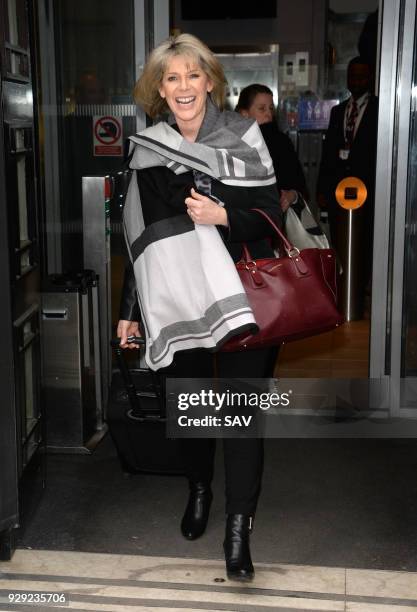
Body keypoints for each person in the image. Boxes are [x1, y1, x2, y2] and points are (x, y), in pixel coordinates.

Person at [117, 34, 282, 582]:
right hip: (181, 298)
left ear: (210, 81)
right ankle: (200, 488)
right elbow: (142, 243)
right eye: (172, 78)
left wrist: (225, 218)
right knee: (190, 408)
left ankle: (239, 529)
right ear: (159, 90)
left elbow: (268, 216)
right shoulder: (149, 148)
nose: (184, 87)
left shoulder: (244, 135)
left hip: (245, 294)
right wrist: (132, 310)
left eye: (193, 75)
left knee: (237, 416)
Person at [317, 57, 378, 316]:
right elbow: (328, 152)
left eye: (362, 76)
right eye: (353, 75)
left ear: (371, 78)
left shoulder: (380, 108)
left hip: (369, 191)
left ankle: (361, 294)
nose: (357, 80)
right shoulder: (338, 111)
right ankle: (340, 291)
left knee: (365, 243)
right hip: (338, 191)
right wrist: (322, 188)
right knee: (339, 242)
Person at [235, 83, 308, 212]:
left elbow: (300, 187)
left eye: (271, 108)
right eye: (262, 109)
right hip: (241, 222)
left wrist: (292, 195)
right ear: (244, 113)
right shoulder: (231, 144)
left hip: (278, 221)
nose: (269, 114)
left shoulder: (282, 142)